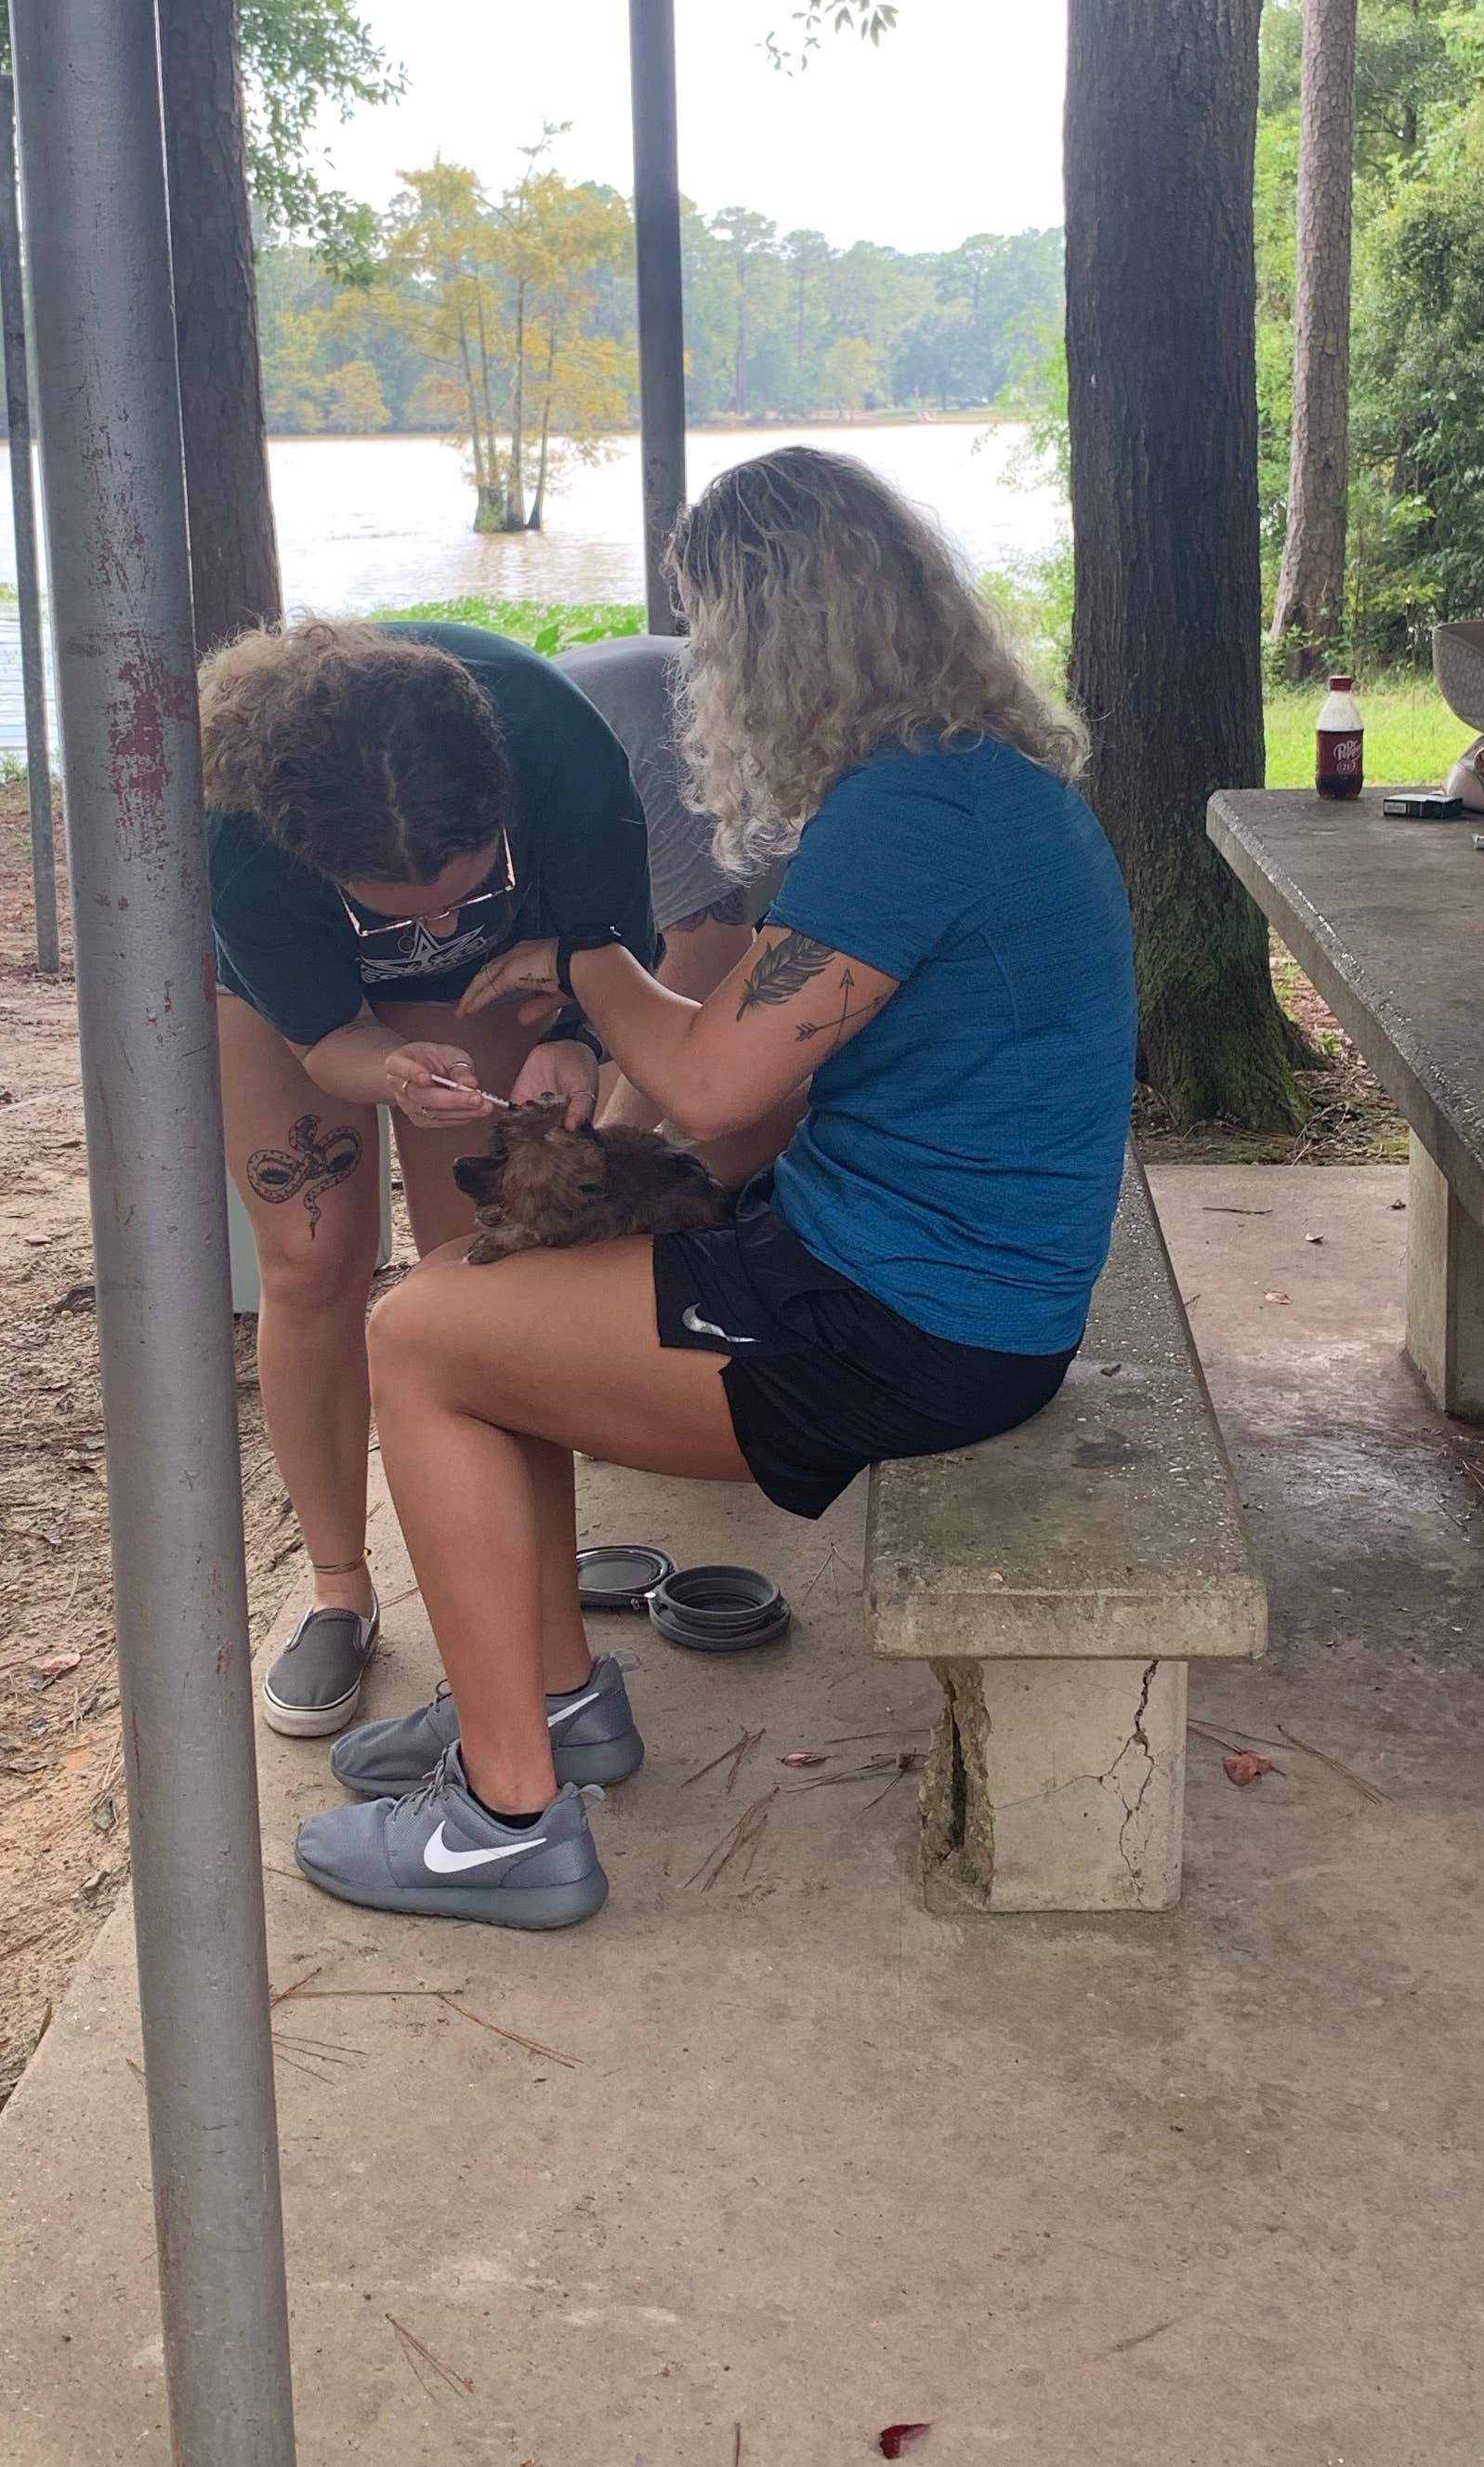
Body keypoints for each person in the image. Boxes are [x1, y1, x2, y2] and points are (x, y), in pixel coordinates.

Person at [295, 444, 1137, 1933]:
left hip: (918, 1325)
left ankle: (505, 1825)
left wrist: (582, 966)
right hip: (926, 1277)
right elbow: (753, 1049)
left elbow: (714, 1086)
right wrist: (594, 1042)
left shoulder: (913, 819)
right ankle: (550, 1711)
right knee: (495, 1303)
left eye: (711, 631)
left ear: (775, 637)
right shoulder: (959, 788)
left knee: (415, 1339)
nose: (703, 673)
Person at [199, 616, 661, 1746]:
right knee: (310, 1263)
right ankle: (339, 1587)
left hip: (511, 981)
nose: (439, 926)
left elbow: (615, 963)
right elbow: (325, 1046)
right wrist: (388, 1069)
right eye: (397, 908)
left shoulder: (559, 745)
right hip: (285, 1009)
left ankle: (529, 1591)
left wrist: (582, 1046)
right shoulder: (237, 834)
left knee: (483, 1285)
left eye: (465, 888)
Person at [551, 632, 783, 1126]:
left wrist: (605, 1161)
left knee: (707, 1119)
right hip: (639, 733)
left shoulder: (638, 746)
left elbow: (710, 959)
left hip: (806, 849)